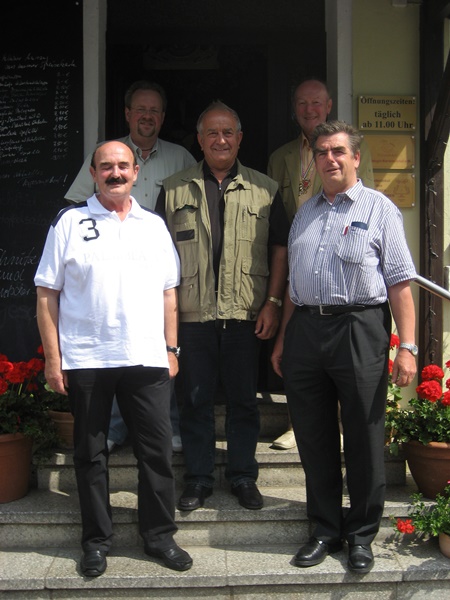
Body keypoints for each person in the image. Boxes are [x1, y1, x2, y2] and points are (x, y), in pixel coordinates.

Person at [35, 141, 192, 577]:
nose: (116, 173)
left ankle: (159, 536)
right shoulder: (69, 222)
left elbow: (168, 293)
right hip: (86, 358)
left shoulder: (154, 226)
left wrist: (171, 349)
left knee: (156, 453)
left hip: (146, 357)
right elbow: (47, 293)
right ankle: (96, 542)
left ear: (137, 172)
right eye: (107, 167)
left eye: (123, 165)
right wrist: (53, 359)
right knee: (90, 454)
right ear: (94, 172)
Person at [271, 120, 417, 573]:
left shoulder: (380, 209)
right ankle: (324, 530)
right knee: (313, 438)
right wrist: (283, 340)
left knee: (363, 436)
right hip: (306, 332)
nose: (329, 159)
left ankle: (361, 535)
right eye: (321, 152)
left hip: (360, 327)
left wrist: (408, 347)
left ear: (356, 157)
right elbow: (296, 284)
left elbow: (399, 282)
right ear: (313, 161)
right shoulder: (305, 213)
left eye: (338, 151)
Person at [155, 101, 290, 512]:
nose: (220, 140)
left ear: (239, 138)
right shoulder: (174, 188)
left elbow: (280, 250)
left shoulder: (265, 189)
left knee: (243, 400)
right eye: (211, 133)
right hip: (191, 316)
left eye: (227, 132)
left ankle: (243, 476)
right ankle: (197, 480)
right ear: (199, 140)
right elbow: (157, 255)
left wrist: (272, 303)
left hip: (245, 315)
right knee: (193, 400)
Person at [65, 80, 196, 454]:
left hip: (160, 269)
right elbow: (74, 205)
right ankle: (117, 428)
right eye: (140, 109)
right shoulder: (107, 155)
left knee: (158, 351)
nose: (147, 117)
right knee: (117, 350)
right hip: (108, 272)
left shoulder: (181, 158)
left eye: (154, 110)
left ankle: (166, 426)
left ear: (163, 117)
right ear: (127, 114)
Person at [268, 77, 375, 450]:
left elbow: (368, 205)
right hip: (301, 265)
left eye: (316, 103)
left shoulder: (351, 150)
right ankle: (298, 425)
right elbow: (276, 218)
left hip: (344, 269)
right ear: (294, 109)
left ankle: (346, 425)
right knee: (299, 353)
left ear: (329, 105)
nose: (309, 110)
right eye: (302, 104)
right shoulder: (281, 156)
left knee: (346, 362)